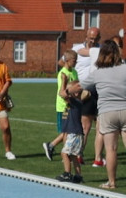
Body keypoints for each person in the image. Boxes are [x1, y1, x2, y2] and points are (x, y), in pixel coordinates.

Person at [80, 40, 126, 189]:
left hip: (107, 112)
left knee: (111, 149)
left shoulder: (97, 73)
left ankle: (112, 182)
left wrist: (67, 91)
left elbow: (80, 86)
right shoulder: (125, 68)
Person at [73, 27, 105, 167]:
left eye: (94, 38)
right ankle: (83, 155)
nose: (92, 41)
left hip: (97, 89)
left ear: (99, 38)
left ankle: (96, 158)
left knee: (100, 126)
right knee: (87, 126)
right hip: (92, 89)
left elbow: (81, 51)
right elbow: (78, 51)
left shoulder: (96, 50)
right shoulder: (102, 51)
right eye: (90, 38)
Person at [45, 49, 78, 160]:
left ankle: (51, 145)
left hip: (73, 105)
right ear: (68, 60)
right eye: (74, 60)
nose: (76, 63)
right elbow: (62, 91)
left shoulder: (74, 72)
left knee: (68, 131)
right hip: (63, 106)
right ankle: (65, 154)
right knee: (66, 132)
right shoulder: (62, 73)